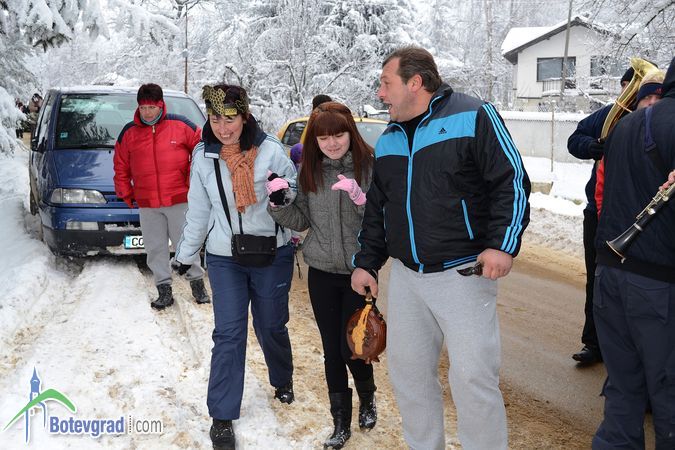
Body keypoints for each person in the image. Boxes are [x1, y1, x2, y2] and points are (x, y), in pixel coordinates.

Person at [351, 46, 530, 450]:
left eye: (386, 83)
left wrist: (502, 245)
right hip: (408, 278)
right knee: (409, 375)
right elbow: (378, 207)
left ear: (415, 83)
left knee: (472, 378)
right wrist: (367, 262)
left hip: (463, 274)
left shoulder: (473, 115)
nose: (380, 93)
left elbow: (512, 181)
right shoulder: (389, 138)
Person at [173, 84, 297, 450]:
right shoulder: (203, 156)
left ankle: (282, 377)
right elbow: (199, 209)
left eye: (230, 119)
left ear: (244, 116)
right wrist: (185, 254)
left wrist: (283, 194)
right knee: (228, 333)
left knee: (271, 324)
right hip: (224, 256)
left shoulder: (271, 151)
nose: (223, 128)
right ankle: (222, 415)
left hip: (272, 253)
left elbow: (295, 194)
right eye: (216, 119)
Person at [269, 101, 376, 449]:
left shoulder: (369, 166)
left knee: (353, 346)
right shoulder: (309, 173)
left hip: (358, 272)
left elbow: (381, 219)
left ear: (350, 134)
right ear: (314, 140)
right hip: (322, 272)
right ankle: (340, 423)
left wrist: (360, 198)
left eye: (338, 135)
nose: (332, 143)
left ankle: (368, 397)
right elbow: (301, 220)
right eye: (324, 137)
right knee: (332, 350)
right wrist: (279, 204)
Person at [591, 56, 675, 450]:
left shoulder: (625, 125)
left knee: (623, 386)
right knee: (668, 390)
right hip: (659, 283)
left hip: (611, 275)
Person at [113, 83, 209, 309]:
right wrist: (125, 191)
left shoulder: (181, 125)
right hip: (148, 203)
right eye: (143, 107)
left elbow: (202, 150)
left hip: (178, 199)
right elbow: (121, 165)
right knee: (155, 248)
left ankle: (197, 285)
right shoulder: (129, 133)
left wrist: (191, 181)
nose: (147, 112)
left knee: (186, 244)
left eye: (151, 107)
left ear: (161, 105)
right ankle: (164, 289)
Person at [566, 66, 635, 365]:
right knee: (596, 279)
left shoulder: (655, 119)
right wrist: (592, 147)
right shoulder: (610, 114)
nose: (629, 92)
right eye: (627, 85)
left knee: (633, 285)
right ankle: (594, 344)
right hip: (599, 212)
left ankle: (629, 346)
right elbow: (575, 139)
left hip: (637, 216)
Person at [595, 70, 665, 215]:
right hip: (619, 221)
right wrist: (603, 215)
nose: (652, 102)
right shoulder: (620, 131)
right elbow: (602, 184)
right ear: (638, 102)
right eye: (646, 97)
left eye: (658, 97)